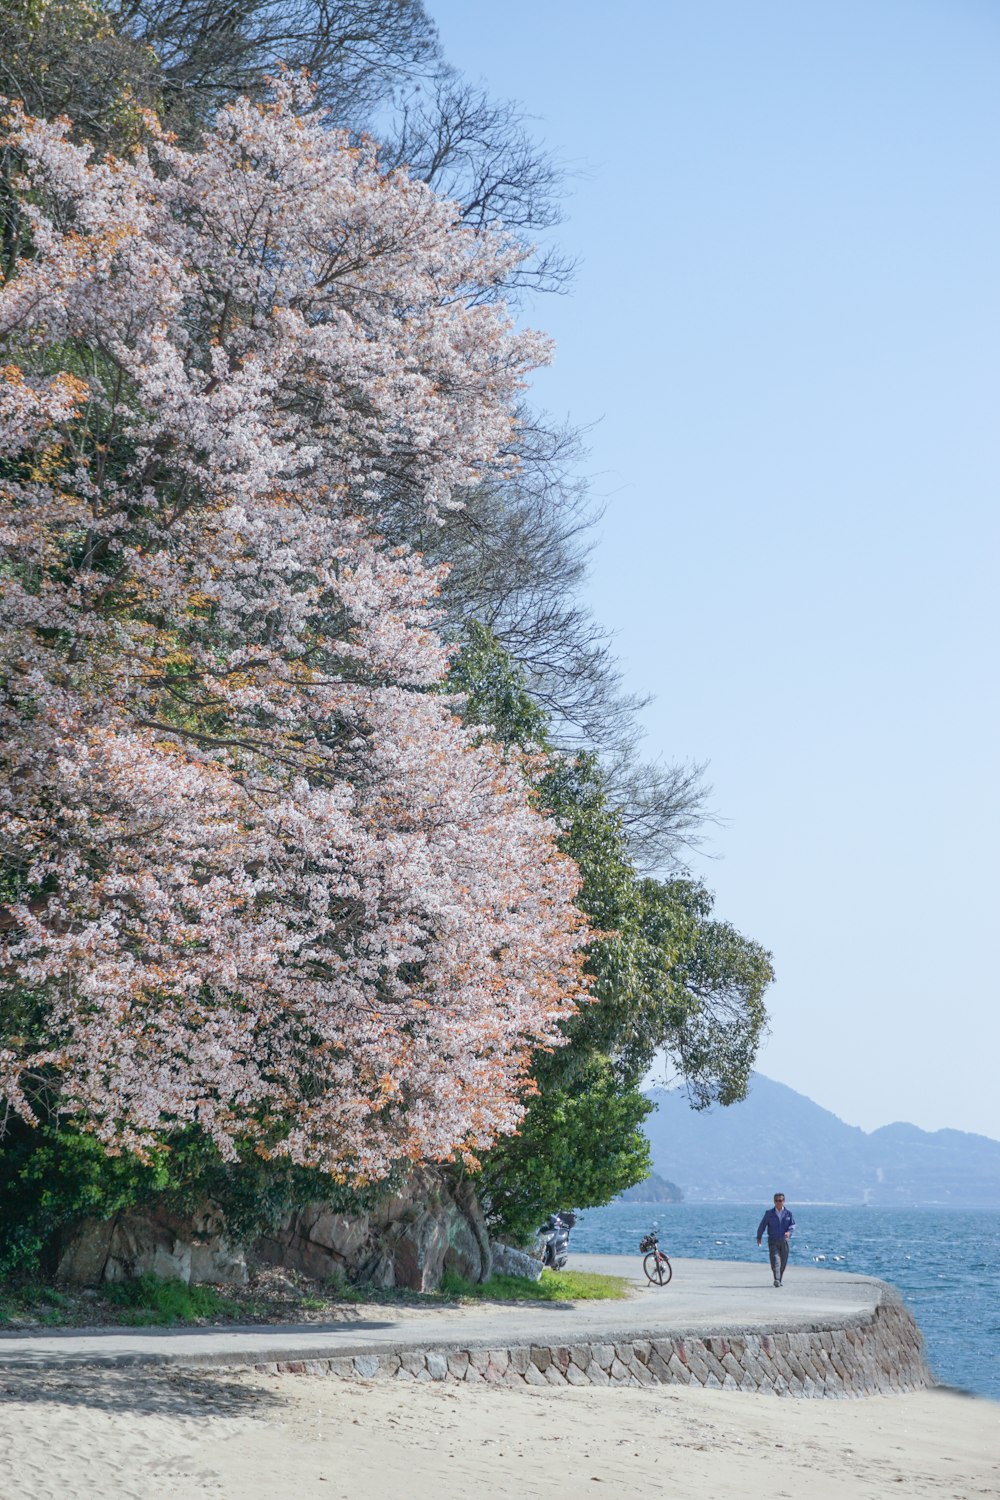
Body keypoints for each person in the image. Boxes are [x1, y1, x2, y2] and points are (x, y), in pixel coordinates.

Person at [756, 1193, 795, 1286]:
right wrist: (759, 1236)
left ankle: (779, 1279)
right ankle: (776, 1279)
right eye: (776, 1200)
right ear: (774, 1201)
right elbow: (762, 1225)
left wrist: (789, 1232)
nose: (778, 1202)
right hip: (773, 1240)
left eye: (780, 1200)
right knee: (775, 1259)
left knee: (783, 1261)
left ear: (784, 1201)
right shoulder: (769, 1213)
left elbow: (793, 1225)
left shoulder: (788, 1213)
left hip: (784, 1241)